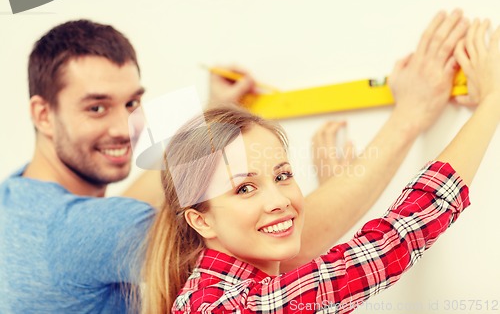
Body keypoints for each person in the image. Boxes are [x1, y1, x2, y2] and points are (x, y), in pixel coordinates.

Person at [0, 9, 466, 313]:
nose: (125, 130)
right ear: (42, 113)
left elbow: (128, 202)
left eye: (134, 103)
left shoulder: (18, 198)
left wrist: (206, 119)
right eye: (96, 107)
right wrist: (411, 115)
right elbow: (284, 240)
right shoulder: (90, 231)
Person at [137, 18, 499, 313]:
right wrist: (494, 98)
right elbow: (391, 245)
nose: (279, 200)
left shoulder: (213, 290)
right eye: (245, 188)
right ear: (201, 220)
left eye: (283, 176)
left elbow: (311, 288)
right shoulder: (226, 306)